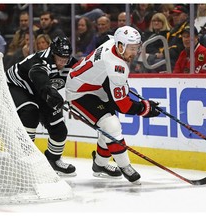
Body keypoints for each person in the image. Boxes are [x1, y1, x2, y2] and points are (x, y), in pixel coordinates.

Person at [65, 26, 160, 185]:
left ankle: (100, 165)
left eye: (136, 48)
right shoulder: (117, 67)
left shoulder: (111, 42)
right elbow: (123, 106)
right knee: (111, 125)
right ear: (121, 46)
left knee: (108, 128)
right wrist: (144, 108)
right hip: (79, 93)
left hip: (94, 85)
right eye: (131, 48)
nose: (135, 52)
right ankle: (125, 166)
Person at [6, 36, 78, 176]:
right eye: (59, 58)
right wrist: (50, 93)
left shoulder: (72, 63)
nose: (63, 62)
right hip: (17, 86)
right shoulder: (42, 61)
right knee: (30, 113)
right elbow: (38, 76)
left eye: (66, 58)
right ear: (52, 53)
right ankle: (25, 158)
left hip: (41, 92)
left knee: (59, 129)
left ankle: (53, 160)